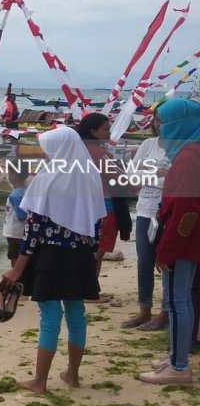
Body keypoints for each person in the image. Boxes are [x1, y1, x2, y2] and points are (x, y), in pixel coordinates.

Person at [0, 126, 106, 394]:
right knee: (76, 314)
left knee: (49, 317)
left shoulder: (46, 179)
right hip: (80, 255)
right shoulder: (90, 176)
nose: (46, 155)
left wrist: (17, 270)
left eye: (48, 149)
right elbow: (97, 224)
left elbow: (32, 231)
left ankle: (40, 381)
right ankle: (72, 374)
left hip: (50, 255)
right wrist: (92, 258)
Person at [140, 98, 200, 385]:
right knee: (180, 299)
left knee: (178, 301)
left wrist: (166, 251)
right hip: (185, 241)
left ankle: (178, 367)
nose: (159, 129)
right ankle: (175, 355)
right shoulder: (189, 153)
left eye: (164, 123)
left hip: (183, 244)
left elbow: (187, 212)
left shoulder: (189, 158)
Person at [121, 115, 169, 331]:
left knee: (168, 264)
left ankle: (165, 313)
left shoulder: (183, 147)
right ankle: (144, 311)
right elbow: (131, 176)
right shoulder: (147, 144)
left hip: (168, 214)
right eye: (158, 120)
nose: (161, 124)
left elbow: (177, 180)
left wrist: (147, 173)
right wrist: (160, 174)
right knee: (144, 263)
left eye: (166, 120)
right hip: (144, 210)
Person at [77, 113, 128, 281]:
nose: (110, 133)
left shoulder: (79, 150)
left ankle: (87, 288)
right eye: (106, 129)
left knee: (88, 250)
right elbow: (121, 178)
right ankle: (91, 290)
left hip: (83, 206)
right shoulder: (99, 153)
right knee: (97, 252)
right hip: (105, 207)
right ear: (93, 131)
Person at [2, 167, 29, 267]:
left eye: (9, 172)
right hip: (22, 233)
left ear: (14, 174)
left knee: (15, 258)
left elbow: (22, 215)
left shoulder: (16, 195)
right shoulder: (25, 191)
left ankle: (16, 280)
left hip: (15, 234)